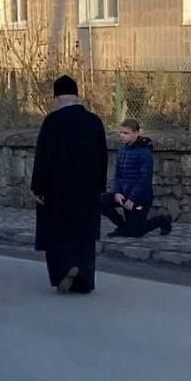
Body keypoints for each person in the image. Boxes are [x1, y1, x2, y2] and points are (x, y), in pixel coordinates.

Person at [31, 75, 108, 295]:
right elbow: (103, 157)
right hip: (88, 191)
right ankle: (84, 278)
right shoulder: (94, 121)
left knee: (58, 235)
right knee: (84, 236)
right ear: (77, 95)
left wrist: (39, 188)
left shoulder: (52, 122)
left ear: (57, 97)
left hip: (58, 191)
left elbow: (43, 157)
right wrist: (100, 186)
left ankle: (64, 270)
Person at [101, 119, 173, 238]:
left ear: (136, 133)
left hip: (140, 200)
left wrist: (133, 198)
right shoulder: (122, 150)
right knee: (100, 201)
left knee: (135, 233)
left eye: (126, 133)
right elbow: (118, 175)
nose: (122, 136)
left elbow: (145, 179)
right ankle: (122, 226)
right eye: (121, 132)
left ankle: (162, 220)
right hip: (124, 196)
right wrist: (117, 192)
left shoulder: (144, 153)